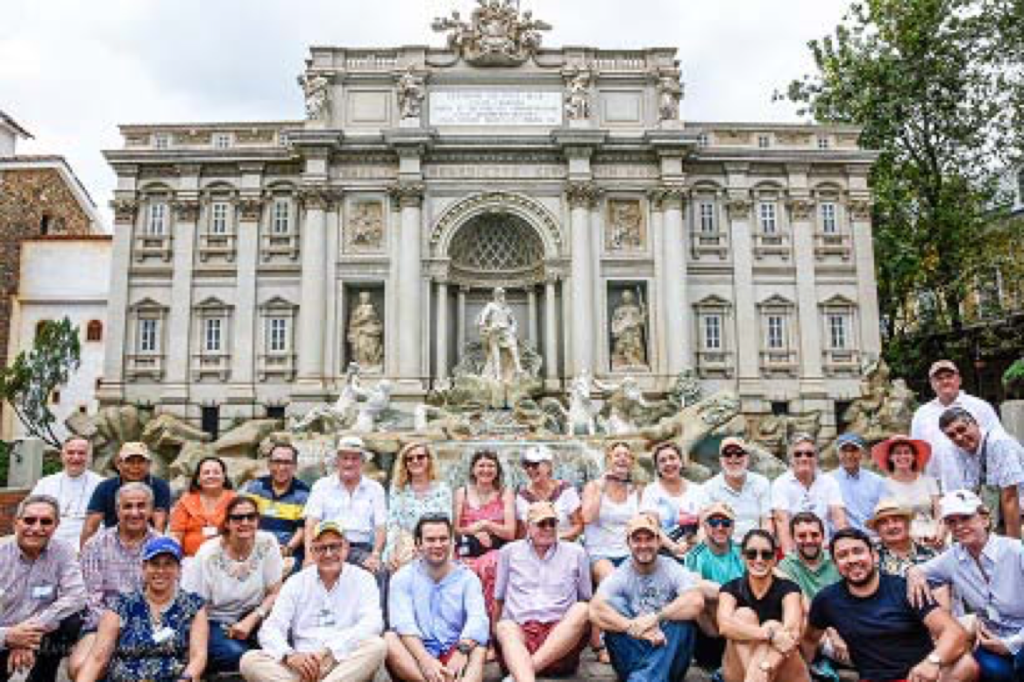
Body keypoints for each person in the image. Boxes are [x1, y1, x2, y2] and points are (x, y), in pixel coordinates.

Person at [807, 527, 978, 682]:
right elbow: (809, 638)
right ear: (835, 564)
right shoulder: (827, 600)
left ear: (874, 556)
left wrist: (932, 662)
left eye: (858, 551)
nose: (851, 559)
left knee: (966, 665)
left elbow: (954, 632)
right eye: (842, 555)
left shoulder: (906, 589)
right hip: (874, 678)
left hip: (919, 677)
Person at [239, 521, 386, 682]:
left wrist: (330, 651)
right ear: (312, 551)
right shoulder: (296, 582)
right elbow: (271, 628)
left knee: (377, 646)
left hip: (342, 663)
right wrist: (289, 656)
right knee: (250, 660)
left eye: (334, 546)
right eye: (321, 548)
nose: (328, 554)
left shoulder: (363, 579)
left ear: (346, 548)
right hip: (301, 667)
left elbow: (373, 623)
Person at [908, 489, 1024, 680]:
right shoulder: (954, 556)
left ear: (985, 519)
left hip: (1021, 635)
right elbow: (919, 570)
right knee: (992, 670)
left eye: (966, 518)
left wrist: (1011, 644)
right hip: (990, 638)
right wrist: (914, 572)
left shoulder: (1015, 551)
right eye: (951, 521)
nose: (959, 526)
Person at [75, 537, 209, 682]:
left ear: (178, 570)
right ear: (144, 568)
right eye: (154, 564)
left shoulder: (193, 606)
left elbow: (198, 656)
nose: (161, 571)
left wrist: (186, 678)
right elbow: (97, 658)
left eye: (168, 564)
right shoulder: (120, 605)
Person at [589, 514, 704, 682]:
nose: (643, 545)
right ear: (628, 543)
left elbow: (696, 601)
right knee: (613, 604)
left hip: (668, 651)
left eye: (649, 539)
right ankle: (649, 676)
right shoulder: (620, 574)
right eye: (637, 539)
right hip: (633, 653)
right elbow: (594, 610)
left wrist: (655, 618)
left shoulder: (672, 568)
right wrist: (631, 627)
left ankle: (644, 677)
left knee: (682, 620)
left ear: (658, 541)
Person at [69, 482, 161, 678]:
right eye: (127, 506)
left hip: (151, 624)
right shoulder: (96, 545)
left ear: (151, 509)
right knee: (79, 666)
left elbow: (169, 597)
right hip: (100, 624)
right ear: (117, 510)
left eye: (141, 506)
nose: (134, 512)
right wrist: (116, 627)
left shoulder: (163, 546)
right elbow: (91, 599)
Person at [494, 501, 592, 681]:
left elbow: (586, 598)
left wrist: (598, 646)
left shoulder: (576, 553)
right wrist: (491, 642)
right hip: (521, 636)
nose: (548, 528)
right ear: (527, 526)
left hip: (560, 639)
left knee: (582, 610)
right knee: (504, 626)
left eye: (552, 523)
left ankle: (520, 674)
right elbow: (498, 599)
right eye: (541, 523)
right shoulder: (508, 552)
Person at [185, 495, 284, 673]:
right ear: (227, 522)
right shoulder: (209, 554)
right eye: (237, 518)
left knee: (281, 647)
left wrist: (252, 619)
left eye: (251, 517)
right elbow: (196, 607)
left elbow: (275, 592)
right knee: (237, 654)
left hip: (257, 615)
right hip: (216, 620)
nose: (245, 522)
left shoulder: (268, 543)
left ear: (258, 520)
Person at [386, 514, 489, 682]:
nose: (438, 545)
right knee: (390, 639)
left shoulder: (468, 578)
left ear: (452, 542)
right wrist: (425, 660)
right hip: (418, 653)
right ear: (418, 544)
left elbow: (478, 619)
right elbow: (403, 624)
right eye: (431, 540)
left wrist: (461, 651)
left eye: (443, 539)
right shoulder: (402, 578)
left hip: (455, 649)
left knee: (479, 649)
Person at [0, 494, 87, 682]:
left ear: (56, 525)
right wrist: (9, 636)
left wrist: (27, 636)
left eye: (46, 522)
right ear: (16, 523)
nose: (37, 528)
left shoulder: (63, 551)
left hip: (42, 636)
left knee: (72, 620)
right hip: (3, 633)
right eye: (29, 520)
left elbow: (77, 596)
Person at [582, 441, 645, 663]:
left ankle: (633, 636)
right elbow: (587, 517)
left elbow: (641, 521)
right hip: (600, 552)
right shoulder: (593, 486)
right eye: (617, 455)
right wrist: (602, 487)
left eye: (626, 456)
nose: (621, 459)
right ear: (608, 460)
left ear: (631, 462)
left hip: (629, 552)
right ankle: (598, 641)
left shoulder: (635, 490)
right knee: (611, 579)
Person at [717, 529, 808, 682]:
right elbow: (725, 626)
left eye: (766, 554)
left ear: (774, 558)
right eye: (752, 554)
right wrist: (770, 634)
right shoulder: (730, 589)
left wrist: (764, 668)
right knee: (743, 615)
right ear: (743, 556)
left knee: (775, 625)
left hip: (780, 669)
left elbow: (792, 632)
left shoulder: (789, 589)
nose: (759, 560)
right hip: (739, 671)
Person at [453, 449, 516, 653]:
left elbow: (510, 532)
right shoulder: (461, 493)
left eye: (490, 466)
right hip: (465, 549)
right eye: (481, 465)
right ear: (473, 469)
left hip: (496, 550)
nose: (486, 470)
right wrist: (474, 530)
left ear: (497, 470)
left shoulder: (505, 493)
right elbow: (454, 529)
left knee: (490, 568)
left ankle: (489, 639)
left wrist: (488, 525)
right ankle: (462, 636)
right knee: (461, 571)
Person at [932, 406, 1023, 538]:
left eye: (962, 429)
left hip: (1017, 514)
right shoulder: (952, 449)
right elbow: (955, 496)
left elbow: (1010, 497)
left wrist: (1012, 546)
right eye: (951, 435)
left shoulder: (998, 442)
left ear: (975, 423)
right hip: (992, 518)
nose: (959, 437)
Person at [304, 436, 387, 578]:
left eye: (355, 458)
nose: (349, 463)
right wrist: (309, 556)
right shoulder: (322, 485)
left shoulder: (375, 488)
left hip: (362, 549)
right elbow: (311, 524)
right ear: (337, 461)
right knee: (310, 573)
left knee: (380, 571)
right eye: (345, 458)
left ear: (363, 462)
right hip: (329, 546)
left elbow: (381, 527)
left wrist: (376, 554)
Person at [911, 359, 1003, 478]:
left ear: (959, 380)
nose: (945, 381)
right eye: (939, 378)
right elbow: (917, 452)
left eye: (949, 376)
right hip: (936, 482)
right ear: (932, 384)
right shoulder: (921, 414)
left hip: (976, 479)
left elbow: (996, 441)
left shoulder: (980, 406)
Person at [684, 502, 745, 673]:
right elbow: (695, 585)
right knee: (699, 597)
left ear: (733, 527)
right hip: (711, 634)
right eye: (713, 522)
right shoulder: (696, 554)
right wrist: (731, 595)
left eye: (726, 523)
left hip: (740, 625)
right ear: (705, 526)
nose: (720, 527)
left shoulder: (743, 552)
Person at [81, 441, 171, 544]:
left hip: (148, 540)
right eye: (130, 461)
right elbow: (91, 525)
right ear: (118, 464)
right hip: (111, 542)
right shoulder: (105, 487)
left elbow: (160, 523)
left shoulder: (160, 486)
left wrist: (156, 548)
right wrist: (84, 552)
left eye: (140, 461)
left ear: (149, 464)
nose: (135, 466)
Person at [771, 434, 847, 553]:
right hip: (796, 549)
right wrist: (790, 559)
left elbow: (839, 518)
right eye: (798, 454)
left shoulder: (829, 482)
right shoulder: (780, 484)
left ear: (816, 458)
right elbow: (782, 523)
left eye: (809, 454)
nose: (804, 458)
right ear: (790, 459)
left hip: (825, 549)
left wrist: (844, 548)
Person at [383, 441, 452, 572]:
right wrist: (391, 549)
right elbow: (393, 523)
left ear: (429, 460)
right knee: (400, 558)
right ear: (404, 464)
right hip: (405, 541)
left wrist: (422, 544)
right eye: (409, 459)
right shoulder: (398, 489)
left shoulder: (442, 489)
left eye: (420, 457)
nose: (415, 461)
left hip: (434, 539)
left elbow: (446, 522)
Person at [243, 443, 311, 569]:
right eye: (277, 462)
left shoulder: (304, 494)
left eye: (287, 462)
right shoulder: (256, 487)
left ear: (295, 466)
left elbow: (302, 529)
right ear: (269, 464)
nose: (281, 467)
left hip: (288, 552)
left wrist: (287, 549)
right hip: (256, 547)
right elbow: (245, 520)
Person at [29, 435, 104, 549]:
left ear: (89, 457)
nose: (76, 457)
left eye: (81, 453)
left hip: (86, 545)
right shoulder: (45, 483)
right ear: (62, 455)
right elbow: (30, 514)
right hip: (48, 543)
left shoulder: (102, 485)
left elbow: (107, 523)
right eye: (71, 452)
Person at [872, 435, 943, 546]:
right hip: (901, 536)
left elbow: (939, 513)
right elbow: (886, 517)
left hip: (932, 533)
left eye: (907, 452)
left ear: (914, 456)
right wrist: (910, 537)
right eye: (898, 453)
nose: (903, 456)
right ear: (890, 457)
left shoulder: (929, 481)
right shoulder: (883, 484)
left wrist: (940, 532)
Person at [640, 441, 706, 559]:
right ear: (657, 467)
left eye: (672, 458)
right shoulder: (651, 491)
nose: (668, 463)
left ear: (681, 462)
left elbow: (703, 525)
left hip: (696, 551)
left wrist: (697, 546)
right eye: (662, 460)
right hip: (663, 553)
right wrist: (673, 547)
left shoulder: (698, 490)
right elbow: (652, 527)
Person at [701, 437, 772, 539]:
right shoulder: (708, 488)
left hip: (754, 546)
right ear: (720, 459)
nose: (733, 458)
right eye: (727, 454)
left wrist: (760, 548)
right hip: (722, 546)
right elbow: (704, 525)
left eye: (739, 453)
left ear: (747, 457)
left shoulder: (761, 483)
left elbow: (767, 523)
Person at [169, 455, 236, 557]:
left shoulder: (234, 500)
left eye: (216, 472)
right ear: (198, 479)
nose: (211, 476)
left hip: (226, 558)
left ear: (224, 477)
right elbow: (176, 535)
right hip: (191, 559)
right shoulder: (186, 501)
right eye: (206, 473)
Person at [514, 445, 583, 541]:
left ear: (549, 466)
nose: (530, 469)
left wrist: (556, 538)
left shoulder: (566, 490)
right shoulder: (522, 496)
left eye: (535, 464)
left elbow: (578, 526)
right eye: (526, 465)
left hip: (564, 545)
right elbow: (521, 534)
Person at [776, 512, 842, 602]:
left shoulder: (836, 560)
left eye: (814, 535)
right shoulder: (786, 566)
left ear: (823, 537)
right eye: (802, 536)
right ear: (793, 538)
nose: (809, 540)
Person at [828, 432, 886, 533]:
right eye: (844, 451)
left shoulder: (877, 481)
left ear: (862, 453)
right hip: (840, 539)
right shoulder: (828, 481)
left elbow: (883, 513)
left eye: (854, 450)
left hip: (872, 538)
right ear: (838, 453)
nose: (849, 455)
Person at [866, 498, 938, 578]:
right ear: (877, 530)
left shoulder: (929, 552)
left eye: (896, 520)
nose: (891, 526)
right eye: (884, 523)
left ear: (908, 523)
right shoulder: (871, 558)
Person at [476, 287, 523, 381]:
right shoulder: (491, 305)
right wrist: (483, 325)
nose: (501, 296)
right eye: (499, 294)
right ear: (495, 295)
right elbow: (483, 316)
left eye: (502, 294)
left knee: (513, 347)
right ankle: (498, 375)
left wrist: (513, 329)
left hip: (506, 330)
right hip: (495, 330)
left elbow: (514, 321)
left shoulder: (507, 308)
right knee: (495, 354)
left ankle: (518, 368)